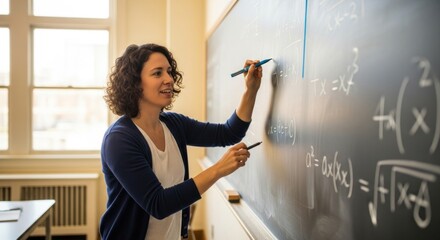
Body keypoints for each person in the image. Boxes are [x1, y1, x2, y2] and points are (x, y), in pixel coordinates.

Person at [100, 43, 262, 240]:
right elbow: (158, 204)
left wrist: (250, 90)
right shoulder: (119, 140)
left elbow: (229, 133)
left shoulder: (174, 124)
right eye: (157, 73)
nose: (169, 79)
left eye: (169, 72)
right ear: (135, 83)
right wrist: (219, 169)